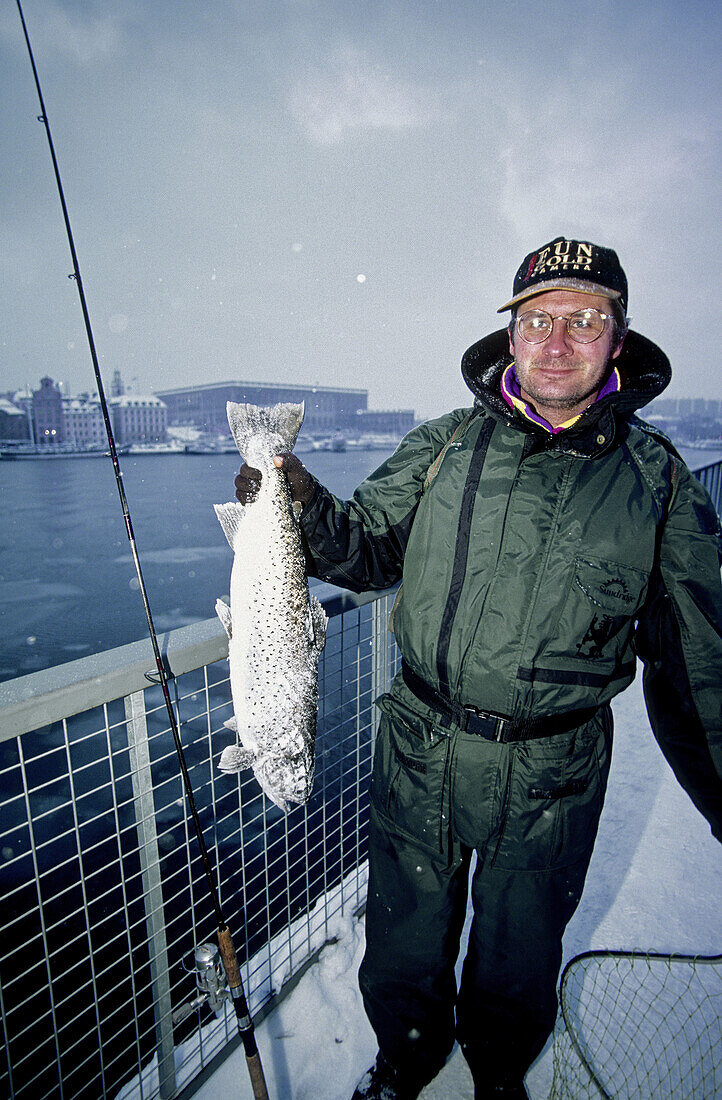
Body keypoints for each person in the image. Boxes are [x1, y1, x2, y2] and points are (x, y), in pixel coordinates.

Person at [234, 236, 722, 1100]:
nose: (557, 340)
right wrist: (299, 507)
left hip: (554, 771)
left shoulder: (662, 482)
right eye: (538, 319)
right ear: (510, 335)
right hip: (419, 745)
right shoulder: (443, 444)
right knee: (404, 931)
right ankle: (407, 1057)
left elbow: (700, 665)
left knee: (521, 945)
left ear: (619, 337)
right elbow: (370, 549)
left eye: (585, 319)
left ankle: (498, 1071)